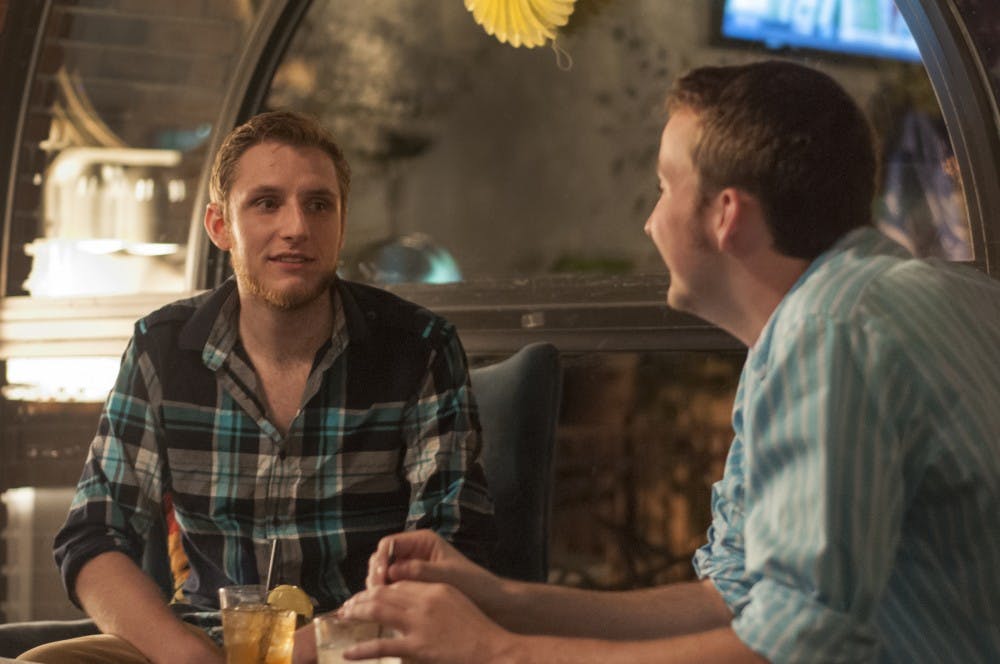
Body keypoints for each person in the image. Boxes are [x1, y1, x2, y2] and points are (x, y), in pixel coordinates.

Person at [334, 60, 1000, 663]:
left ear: (727, 215)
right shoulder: (881, 308)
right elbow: (736, 599)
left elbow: (797, 646)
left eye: (663, 186)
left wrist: (496, 651)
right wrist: (501, 599)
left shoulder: (831, 334)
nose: (650, 223)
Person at [19, 110, 496, 664]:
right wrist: (187, 656)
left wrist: (298, 653)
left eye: (318, 204)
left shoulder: (419, 348)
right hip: (201, 640)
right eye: (267, 202)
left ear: (341, 223)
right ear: (220, 225)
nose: (296, 227)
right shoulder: (162, 349)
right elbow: (92, 536)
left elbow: (450, 552)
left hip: (362, 643)